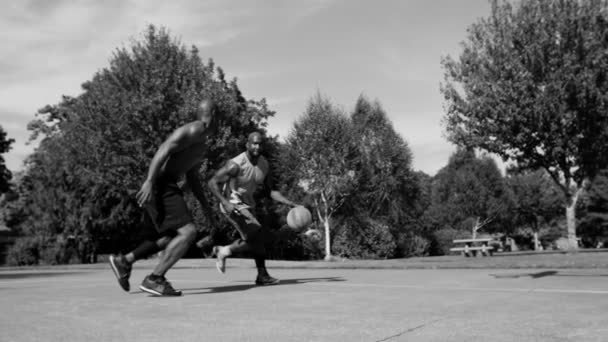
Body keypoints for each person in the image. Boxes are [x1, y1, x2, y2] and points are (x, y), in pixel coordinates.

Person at [109, 98, 217, 296]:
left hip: (165, 183)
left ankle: (124, 261)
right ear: (213, 115)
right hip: (161, 182)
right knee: (188, 232)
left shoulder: (202, 142)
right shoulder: (196, 129)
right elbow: (164, 148)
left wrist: (205, 205)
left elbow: (192, 175)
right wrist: (149, 181)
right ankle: (155, 279)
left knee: (168, 237)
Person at [208, 132, 298, 285]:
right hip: (233, 203)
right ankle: (261, 275)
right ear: (247, 145)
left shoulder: (264, 164)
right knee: (258, 235)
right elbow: (212, 182)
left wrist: (289, 203)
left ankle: (224, 251)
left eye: (260, 144)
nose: (257, 146)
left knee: (259, 240)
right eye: (254, 143)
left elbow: (271, 191)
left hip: (249, 205)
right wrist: (224, 202)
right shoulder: (235, 164)